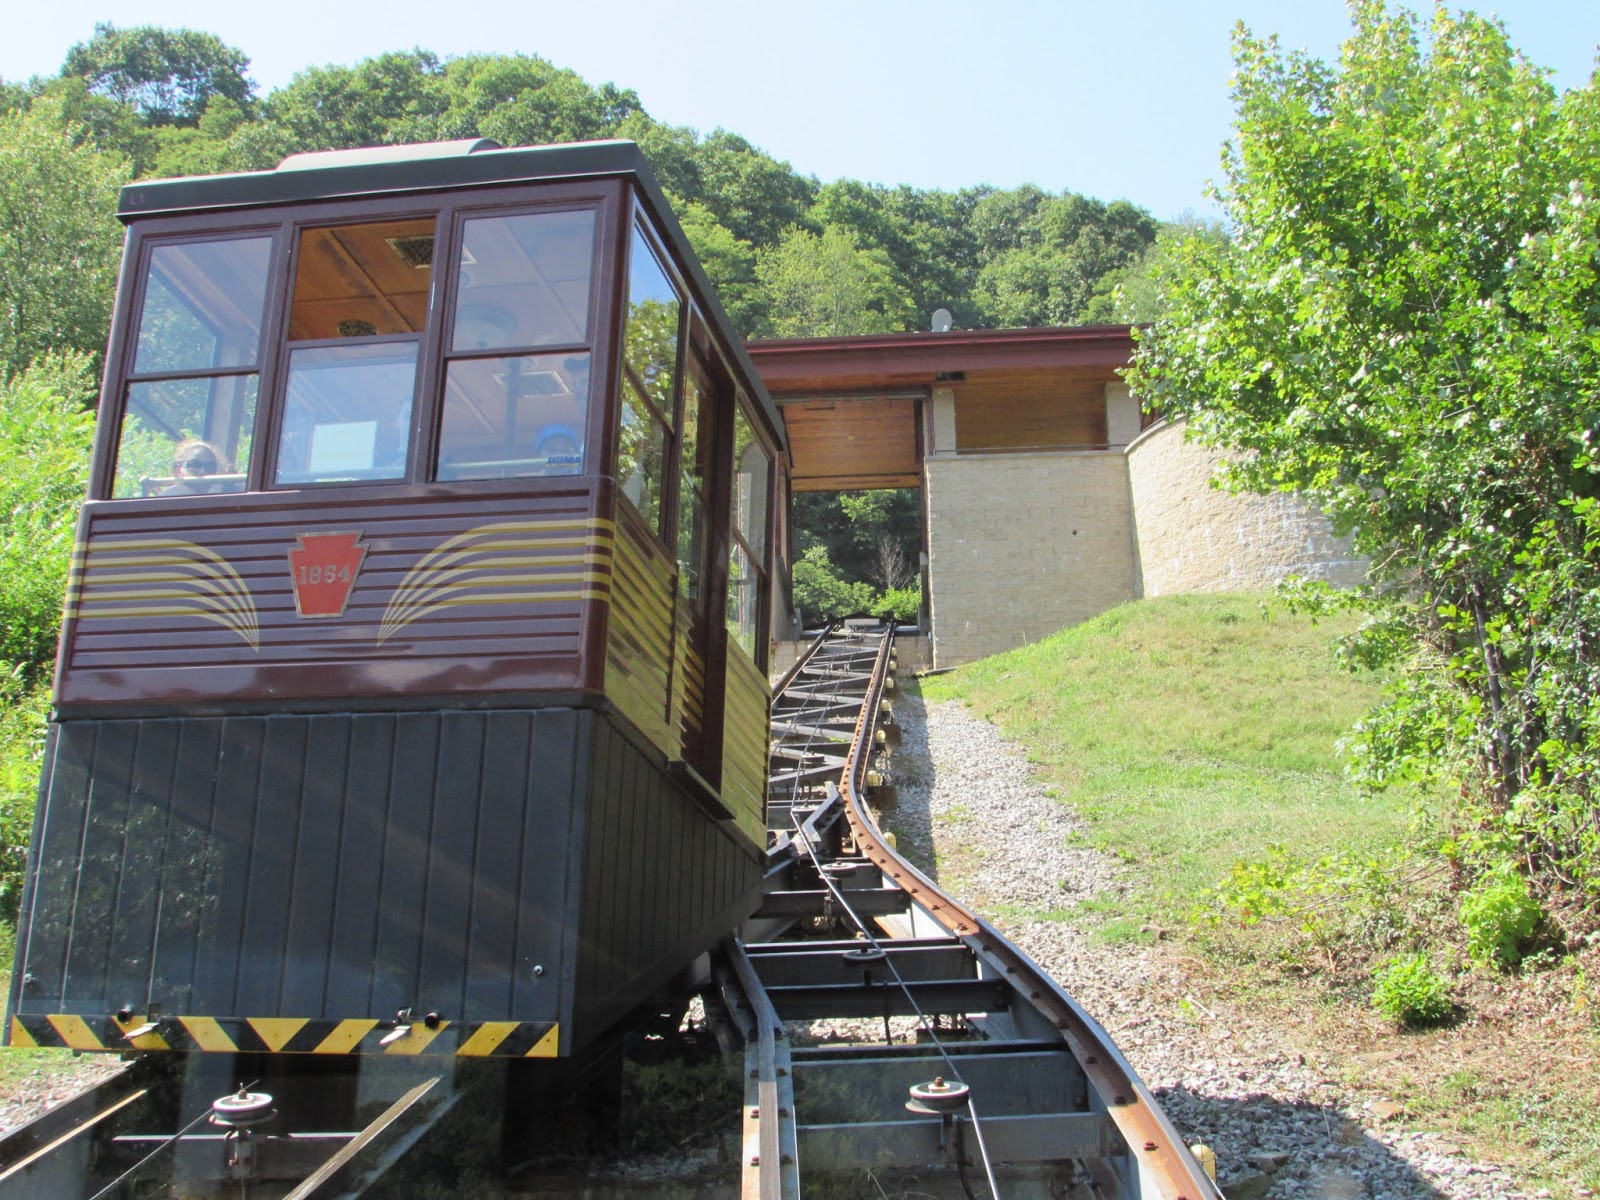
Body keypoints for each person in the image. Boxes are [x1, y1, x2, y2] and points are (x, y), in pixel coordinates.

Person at [162, 438, 227, 495]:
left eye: (210, 467)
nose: (203, 471)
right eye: (195, 464)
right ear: (179, 470)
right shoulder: (169, 496)